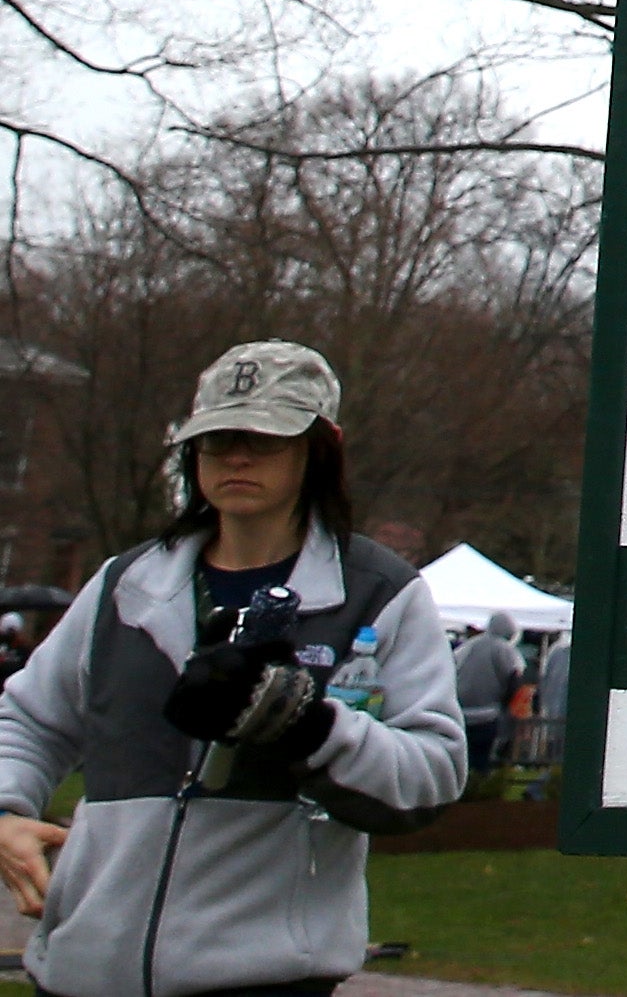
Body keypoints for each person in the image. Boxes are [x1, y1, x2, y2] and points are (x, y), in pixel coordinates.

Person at [0, 342, 465, 997]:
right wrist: (5, 807)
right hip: (83, 971)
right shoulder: (121, 585)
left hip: (264, 978)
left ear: (320, 448)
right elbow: (26, 716)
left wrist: (304, 724)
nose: (237, 456)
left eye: (264, 438)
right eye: (217, 439)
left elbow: (431, 777)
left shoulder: (381, 593)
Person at [449, 613, 522, 778]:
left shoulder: (468, 645)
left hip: (460, 713)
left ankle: (464, 793)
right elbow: (514, 677)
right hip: (488, 714)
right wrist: (507, 705)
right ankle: (479, 790)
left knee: (462, 761)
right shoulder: (503, 648)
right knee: (482, 762)